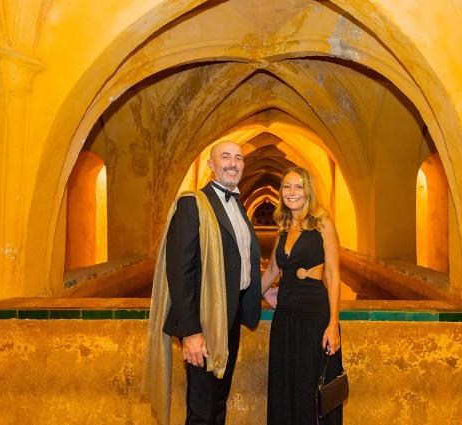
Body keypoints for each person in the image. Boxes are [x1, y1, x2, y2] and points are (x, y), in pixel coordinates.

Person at [143, 140, 261, 425]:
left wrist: (262, 291)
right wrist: (191, 332)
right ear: (211, 165)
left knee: (218, 399)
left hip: (230, 315)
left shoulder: (238, 206)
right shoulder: (192, 204)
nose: (233, 163)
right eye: (225, 157)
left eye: (238, 158)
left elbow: (241, 261)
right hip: (205, 318)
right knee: (202, 406)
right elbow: (179, 272)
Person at [261, 166, 344, 425]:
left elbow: (333, 274)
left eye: (298, 186)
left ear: (308, 191)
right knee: (285, 385)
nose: (292, 192)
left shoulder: (322, 223)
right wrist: (247, 300)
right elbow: (273, 270)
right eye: (286, 186)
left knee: (311, 387)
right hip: (285, 316)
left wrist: (333, 324)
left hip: (314, 315)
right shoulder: (284, 227)